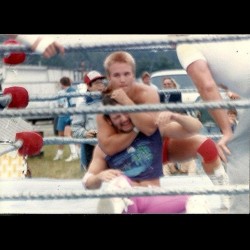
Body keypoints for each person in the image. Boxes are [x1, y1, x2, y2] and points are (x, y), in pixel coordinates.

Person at [83, 94, 229, 213]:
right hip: (128, 194)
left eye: (126, 113)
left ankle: (224, 191)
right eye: (117, 117)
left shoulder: (150, 127)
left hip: (153, 189)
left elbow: (195, 127)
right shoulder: (105, 147)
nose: (124, 119)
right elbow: (88, 182)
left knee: (205, 147)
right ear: (109, 121)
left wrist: (175, 116)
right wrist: (99, 177)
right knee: (119, 184)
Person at [176, 36, 250, 213]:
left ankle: (240, 209)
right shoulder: (214, 41)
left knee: (235, 148)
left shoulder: (185, 44)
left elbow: (206, 86)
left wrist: (225, 130)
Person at [96, 51, 160, 156]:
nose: (122, 80)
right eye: (116, 75)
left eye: (126, 74)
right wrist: (136, 128)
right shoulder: (106, 101)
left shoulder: (147, 93)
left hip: (153, 148)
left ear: (133, 75)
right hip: (120, 156)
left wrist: (126, 102)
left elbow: (150, 129)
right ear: (109, 77)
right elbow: (108, 147)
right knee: (97, 156)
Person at [71, 71, 106, 171]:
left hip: (111, 145)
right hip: (91, 148)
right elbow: (75, 130)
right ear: (88, 86)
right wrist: (85, 133)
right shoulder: (83, 106)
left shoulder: (110, 102)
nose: (100, 86)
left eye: (101, 82)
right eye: (96, 83)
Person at [53, 77, 79, 162]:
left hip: (69, 115)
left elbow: (73, 105)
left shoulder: (71, 91)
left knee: (69, 135)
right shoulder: (62, 92)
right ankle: (59, 154)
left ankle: (75, 153)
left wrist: (72, 116)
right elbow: (60, 104)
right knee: (61, 135)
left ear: (62, 83)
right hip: (62, 115)